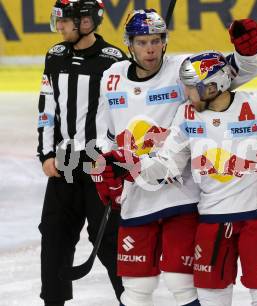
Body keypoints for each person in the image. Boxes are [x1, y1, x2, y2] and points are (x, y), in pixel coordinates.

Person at [98, 50, 257, 306]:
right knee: (211, 301)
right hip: (213, 219)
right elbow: (168, 167)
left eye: (191, 88)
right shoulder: (186, 115)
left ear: (214, 86)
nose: (185, 93)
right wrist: (132, 165)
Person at [91, 10, 257, 306]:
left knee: (181, 281)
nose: (150, 49)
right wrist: (104, 171)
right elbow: (105, 135)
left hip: (181, 193)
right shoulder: (112, 77)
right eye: (143, 42)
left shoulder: (182, 70)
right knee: (136, 289)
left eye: (156, 41)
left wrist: (247, 52)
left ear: (164, 41)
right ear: (129, 44)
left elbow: (236, 72)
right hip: (136, 195)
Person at [37, 0, 126, 305]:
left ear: (85, 22)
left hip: (100, 164)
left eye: (65, 21)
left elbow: (124, 113)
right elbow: (46, 108)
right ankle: (53, 300)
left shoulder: (113, 61)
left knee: (110, 241)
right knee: (54, 236)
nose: (59, 27)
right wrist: (46, 153)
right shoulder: (55, 56)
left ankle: (131, 299)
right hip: (64, 163)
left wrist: (118, 157)